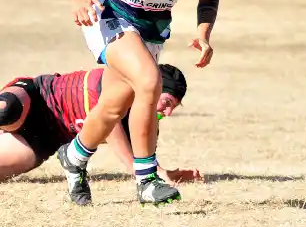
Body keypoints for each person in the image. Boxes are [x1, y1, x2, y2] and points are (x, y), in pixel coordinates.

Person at [50, 0, 218, 206]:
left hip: (150, 33)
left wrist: (203, 33)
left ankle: (74, 156)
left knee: (113, 106)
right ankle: (147, 179)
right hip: (109, 19)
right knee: (148, 80)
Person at [1, 65, 198, 186]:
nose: (168, 112)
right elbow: (110, 125)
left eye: (174, 107)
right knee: (7, 110)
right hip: (40, 98)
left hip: (46, 137)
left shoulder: (144, 123)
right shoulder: (117, 82)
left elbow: (143, 158)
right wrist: (141, 175)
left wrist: (163, 173)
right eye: (167, 103)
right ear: (153, 89)